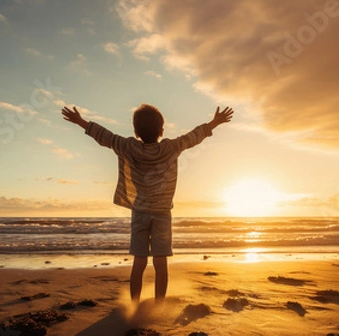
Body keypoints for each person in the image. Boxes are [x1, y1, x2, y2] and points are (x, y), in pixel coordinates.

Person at [62, 103, 233, 304]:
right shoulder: (171, 147)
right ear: (162, 131)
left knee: (139, 260)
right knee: (161, 262)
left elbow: (104, 136)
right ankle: (159, 304)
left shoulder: (128, 146)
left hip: (140, 212)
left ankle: (134, 304)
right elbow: (193, 137)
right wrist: (215, 122)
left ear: (135, 132)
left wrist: (80, 121)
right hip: (162, 213)